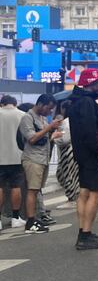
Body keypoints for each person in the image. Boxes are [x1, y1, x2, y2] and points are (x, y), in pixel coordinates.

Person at [67, 68, 98, 250]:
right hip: (92, 155)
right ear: (90, 83)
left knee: (84, 193)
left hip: (82, 154)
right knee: (94, 193)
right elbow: (91, 131)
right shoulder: (87, 103)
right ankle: (86, 234)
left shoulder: (76, 101)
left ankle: (83, 233)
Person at [19, 93, 61, 234]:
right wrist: (49, 128)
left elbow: (42, 138)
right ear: (41, 104)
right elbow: (31, 138)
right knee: (32, 190)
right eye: (48, 108)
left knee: (36, 190)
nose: (49, 112)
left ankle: (34, 218)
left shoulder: (41, 118)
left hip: (42, 158)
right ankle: (30, 222)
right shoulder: (27, 117)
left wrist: (52, 133)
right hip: (33, 159)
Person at [0, 95, 26, 233]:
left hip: (0, 157)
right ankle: (16, 218)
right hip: (17, 157)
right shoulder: (23, 115)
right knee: (16, 186)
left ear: (2, 104)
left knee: (0, 187)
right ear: (15, 104)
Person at [54, 100, 80, 203]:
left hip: (68, 152)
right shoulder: (77, 119)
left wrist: (55, 138)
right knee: (74, 175)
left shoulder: (66, 122)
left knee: (68, 174)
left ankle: (72, 196)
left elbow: (64, 139)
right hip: (76, 150)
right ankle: (75, 194)